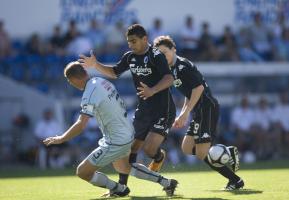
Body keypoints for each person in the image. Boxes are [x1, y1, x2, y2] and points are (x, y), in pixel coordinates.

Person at [43, 62, 178, 197]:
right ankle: (167, 183)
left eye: (69, 81)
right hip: (127, 132)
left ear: (73, 79)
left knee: (83, 172)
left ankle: (118, 188)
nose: (70, 84)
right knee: (126, 167)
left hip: (116, 140)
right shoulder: (101, 81)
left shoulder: (89, 93)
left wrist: (61, 138)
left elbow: (81, 124)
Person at [78, 24, 176, 185]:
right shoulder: (130, 57)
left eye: (133, 41)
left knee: (149, 149)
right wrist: (95, 65)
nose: (130, 45)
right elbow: (114, 72)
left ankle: (159, 157)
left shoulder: (156, 55)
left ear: (145, 39)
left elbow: (169, 78)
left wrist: (152, 90)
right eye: (129, 42)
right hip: (144, 109)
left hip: (163, 110)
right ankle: (122, 185)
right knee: (129, 149)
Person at [153, 35, 244, 190]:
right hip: (198, 109)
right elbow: (189, 94)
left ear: (173, 49)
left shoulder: (182, 66)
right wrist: (182, 114)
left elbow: (199, 88)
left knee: (202, 154)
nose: (163, 56)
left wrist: (186, 113)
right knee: (187, 148)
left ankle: (235, 180)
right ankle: (226, 153)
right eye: (159, 54)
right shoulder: (171, 69)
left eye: (165, 52)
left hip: (207, 107)